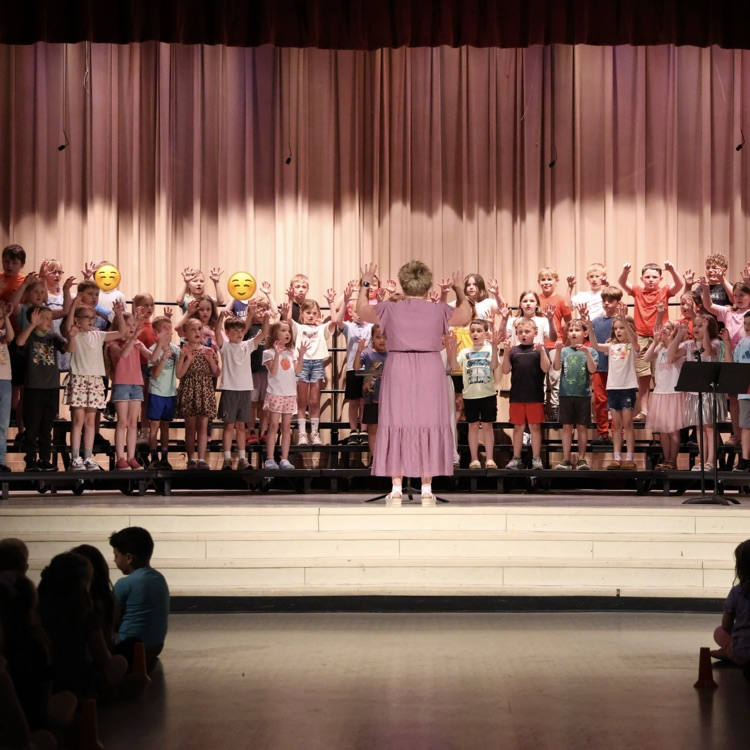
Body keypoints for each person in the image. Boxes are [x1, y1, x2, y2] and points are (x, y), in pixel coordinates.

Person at [356, 261, 472, 506]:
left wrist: (366, 283)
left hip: (398, 366)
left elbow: (362, 310)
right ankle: (427, 487)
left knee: (397, 420)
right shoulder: (439, 309)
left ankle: (396, 487)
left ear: (403, 282)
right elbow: (465, 316)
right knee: (428, 421)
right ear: (427, 284)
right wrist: (459, 290)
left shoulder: (390, 308)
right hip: (430, 368)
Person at [64, 299, 127, 471]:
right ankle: (75, 457)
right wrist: (73, 307)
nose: (91, 320)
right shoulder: (74, 333)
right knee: (78, 420)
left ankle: (88, 456)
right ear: (77, 319)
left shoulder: (98, 334)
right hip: (79, 378)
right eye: (86, 317)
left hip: (95, 380)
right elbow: (69, 348)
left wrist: (119, 313)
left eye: (93, 317)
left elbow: (121, 332)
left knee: (91, 420)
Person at [618, 261, 683, 420]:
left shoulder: (664, 291)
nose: (651, 279)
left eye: (654, 277)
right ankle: (645, 410)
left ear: (660, 279)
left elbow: (680, 284)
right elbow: (622, 283)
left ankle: (660, 409)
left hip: (661, 337)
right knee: (643, 376)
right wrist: (625, 271)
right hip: (641, 336)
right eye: (647, 277)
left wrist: (672, 270)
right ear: (642, 279)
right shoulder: (638, 291)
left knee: (659, 373)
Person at [215, 309, 270, 470]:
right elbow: (216, 331)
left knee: (241, 427)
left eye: (241, 330)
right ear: (228, 332)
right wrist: (220, 317)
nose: (239, 333)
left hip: (245, 391)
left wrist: (266, 317)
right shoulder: (225, 346)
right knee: (228, 426)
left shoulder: (247, 345)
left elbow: (264, 332)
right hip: (230, 391)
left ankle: (241, 457)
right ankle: (226, 459)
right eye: (235, 330)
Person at [109, 526, 170, 672]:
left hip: (130, 649)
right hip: (156, 646)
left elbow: (112, 619)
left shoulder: (124, 583)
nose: (114, 560)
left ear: (128, 558)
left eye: (116, 556)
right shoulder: (160, 578)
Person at [14, 307, 66, 472]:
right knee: (32, 426)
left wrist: (71, 335)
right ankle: (31, 461)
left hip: (51, 388)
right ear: (34, 319)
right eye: (45, 318)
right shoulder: (29, 336)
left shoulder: (53, 337)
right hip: (34, 387)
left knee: (46, 426)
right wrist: (31, 325)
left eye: (51, 318)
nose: (50, 322)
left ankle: (45, 459)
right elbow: (19, 342)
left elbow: (69, 348)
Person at [589, 304, 640, 470]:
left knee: (628, 424)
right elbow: (595, 345)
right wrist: (589, 327)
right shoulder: (611, 346)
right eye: (616, 328)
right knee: (616, 426)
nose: (618, 331)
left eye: (622, 328)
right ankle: (616, 457)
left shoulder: (632, 346)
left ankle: (630, 458)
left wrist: (624, 320)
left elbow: (634, 340)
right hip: (613, 389)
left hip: (628, 388)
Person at [668, 314, 721, 471]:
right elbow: (671, 356)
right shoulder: (689, 345)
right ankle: (703, 460)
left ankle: (712, 460)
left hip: (709, 391)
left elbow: (706, 353)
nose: (696, 329)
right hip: (694, 392)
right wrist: (678, 335)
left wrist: (705, 333)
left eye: (701, 326)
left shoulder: (715, 342)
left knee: (709, 426)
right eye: (695, 326)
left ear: (709, 327)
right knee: (698, 427)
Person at [290, 294, 342, 446]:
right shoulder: (299, 328)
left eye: (314, 313)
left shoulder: (321, 329)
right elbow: (287, 319)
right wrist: (289, 299)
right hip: (302, 363)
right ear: (302, 314)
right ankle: (302, 434)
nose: (311, 316)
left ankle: (314, 433)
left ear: (319, 314)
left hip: (317, 364)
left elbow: (334, 321)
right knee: (302, 401)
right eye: (308, 313)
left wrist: (331, 302)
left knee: (314, 401)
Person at [451, 319, 500, 469]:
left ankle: (490, 459)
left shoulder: (490, 349)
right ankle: (474, 459)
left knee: (487, 426)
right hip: (470, 396)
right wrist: (452, 350)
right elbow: (454, 367)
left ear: (486, 333)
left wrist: (494, 346)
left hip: (487, 395)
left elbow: (494, 365)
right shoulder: (465, 352)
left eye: (479, 331)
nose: (475, 334)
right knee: (472, 426)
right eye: (472, 331)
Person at [502, 319, 550, 470]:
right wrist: (506, 353)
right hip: (517, 396)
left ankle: (536, 459)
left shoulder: (539, 349)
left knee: (535, 427)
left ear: (535, 333)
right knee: (518, 428)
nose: (523, 335)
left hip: (534, 396)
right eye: (520, 332)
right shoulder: (514, 351)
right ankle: (516, 458)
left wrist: (542, 351)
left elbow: (546, 368)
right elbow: (504, 370)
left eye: (527, 332)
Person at [107, 311, 151, 470]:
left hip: (136, 384)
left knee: (133, 423)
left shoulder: (137, 343)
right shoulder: (113, 344)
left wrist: (162, 343)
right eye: (129, 325)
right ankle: (121, 457)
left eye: (134, 324)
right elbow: (124, 355)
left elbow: (152, 357)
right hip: (122, 384)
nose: (133, 327)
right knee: (123, 422)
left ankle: (131, 457)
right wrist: (133, 339)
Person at [552, 319, 598, 470]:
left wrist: (586, 353)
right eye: (570, 330)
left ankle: (582, 459)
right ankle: (565, 459)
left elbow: (592, 370)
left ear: (585, 333)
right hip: (566, 394)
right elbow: (556, 367)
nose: (573, 333)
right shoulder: (564, 351)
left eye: (577, 330)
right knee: (566, 427)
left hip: (583, 395)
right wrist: (558, 350)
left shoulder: (590, 351)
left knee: (582, 427)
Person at [263, 319, 309, 470]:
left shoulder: (291, 352)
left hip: (290, 394)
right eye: (283, 330)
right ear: (275, 333)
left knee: (286, 427)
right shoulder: (268, 352)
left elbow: (297, 371)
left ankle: (284, 459)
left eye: (288, 330)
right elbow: (274, 371)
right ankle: (270, 458)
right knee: (274, 426)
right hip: (276, 393)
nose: (287, 333)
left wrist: (301, 355)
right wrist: (277, 354)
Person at [175, 318, 220, 470]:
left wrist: (210, 359)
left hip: (205, 390)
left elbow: (216, 372)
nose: (197, 332)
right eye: (193, 329)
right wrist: (186, 358)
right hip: (189, 390)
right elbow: (179, 374)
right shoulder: (183, 350)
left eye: (199, 329)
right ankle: (191, 459)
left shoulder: (209, 350)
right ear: (186, 333)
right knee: (190, 427)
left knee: (203, 427)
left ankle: (201, 458)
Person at [643, 322, 687, 470]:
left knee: (673, 430)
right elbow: (647, 358)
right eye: (663, 327)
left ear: (674, 331)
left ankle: (672, 461)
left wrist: (673, 338)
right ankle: (666, 458)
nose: (664, 330)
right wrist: (655, 341)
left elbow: (670, 359)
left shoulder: (680, 348)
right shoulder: (659, 347)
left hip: (674, 393)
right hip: (660, 392)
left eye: (668, 328)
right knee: (663, 430)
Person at [337, 285, 373, 444]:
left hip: (368, 369)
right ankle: (353, 430)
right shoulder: (349, 327)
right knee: (353, 402)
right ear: (350, 313)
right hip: (353, 368)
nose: (359, 314)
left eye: (362, 311)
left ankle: (364, 430)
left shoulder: (371, 327)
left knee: (365, 400)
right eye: (355, 311)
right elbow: (337, 321)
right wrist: (345, 300)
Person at [147, 316, 180, 469]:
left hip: (170, 392)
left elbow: (180, 371)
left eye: (169, 328)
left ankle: (165, 457)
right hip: (157, 391)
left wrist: (185, 356)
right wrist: (162, 359)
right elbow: (155, 374)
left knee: (165, 426)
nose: (168, 331)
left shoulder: (175, 349)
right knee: (154, 425)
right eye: (164, 328)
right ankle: (153, 457)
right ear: (156, 332)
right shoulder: (153, 349)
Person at [711, 539, 750, 670]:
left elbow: (726, 626)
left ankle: (729, 652)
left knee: (719, 632)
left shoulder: (736, 592)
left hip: (743, 653)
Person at [355, 324, 388, 457]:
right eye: (378, 337)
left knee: (388, 429)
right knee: (373, 428)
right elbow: (356, 367)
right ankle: (375, 459)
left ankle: (387, 458)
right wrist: (359, 351)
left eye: (384, 337)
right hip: (371, 398)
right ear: (372, 338)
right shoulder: (367, 354)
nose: (381, 340)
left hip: (389, 399)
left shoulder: (393, 354)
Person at [726, 311, 750, 472]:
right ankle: (745, 459)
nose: (747, 327)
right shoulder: (742, 342)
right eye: (746, 323)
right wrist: (727, 345)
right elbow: (732, 365)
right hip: (745, 391)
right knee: (746, 426)